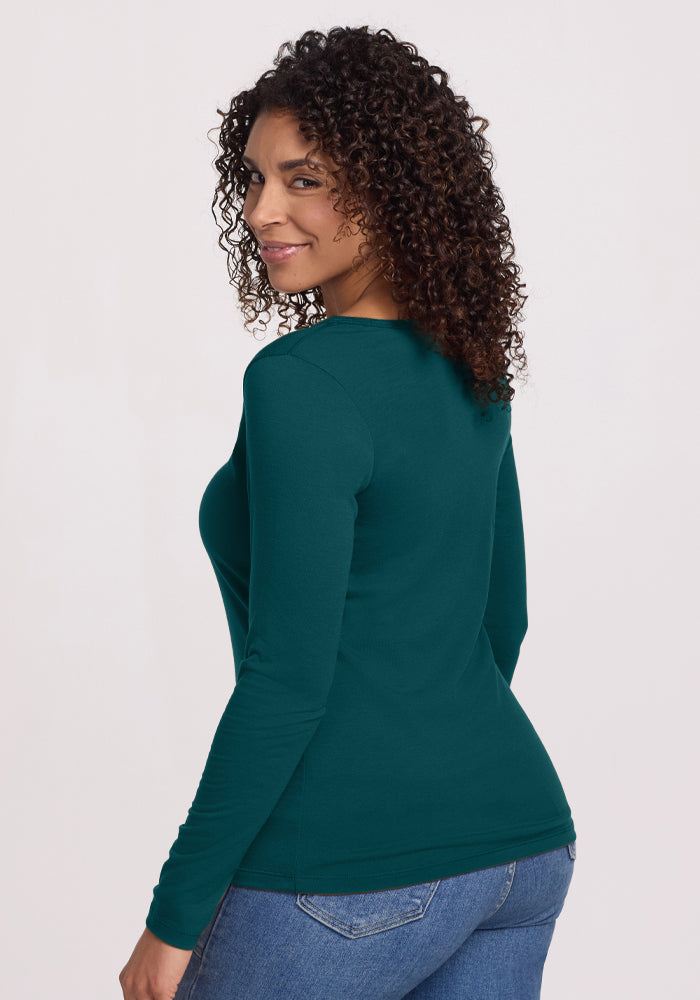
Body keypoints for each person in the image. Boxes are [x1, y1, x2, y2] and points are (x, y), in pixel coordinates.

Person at [119, 25, 577, 1000]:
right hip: (518, 846)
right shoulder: (470, 364)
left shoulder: (301, 381)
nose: (261, 210)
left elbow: (287, 678)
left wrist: (173, 915)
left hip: (347, 871)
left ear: (390, 183)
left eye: (303, 179)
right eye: (252, 179)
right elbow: (504, 619)